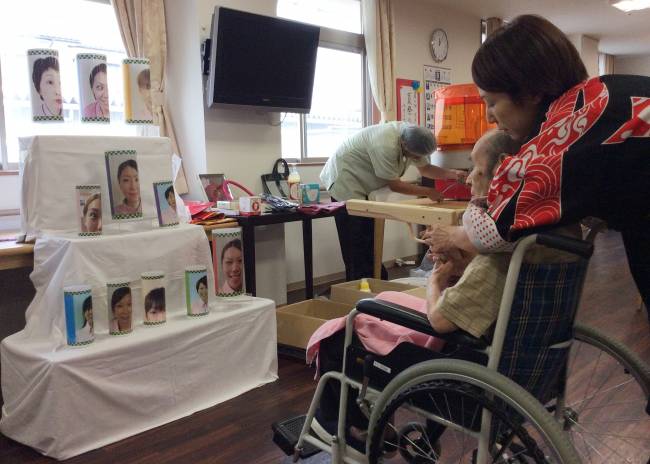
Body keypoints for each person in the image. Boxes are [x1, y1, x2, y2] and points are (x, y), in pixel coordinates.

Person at [308, 129, 581, 449]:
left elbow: (440, 320)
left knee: (348, 324)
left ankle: (338, 424)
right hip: (532, 367)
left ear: (502, 174)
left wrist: (437, 280)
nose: (469, 178)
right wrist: (460, 262)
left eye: (476, 169)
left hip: (463, 361)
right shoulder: (543, 234)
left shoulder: (497, 253)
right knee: (385, 294)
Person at [425, 14, 650, 317]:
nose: (489, 116)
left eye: (492, 102)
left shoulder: (565, 132)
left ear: (531, 91)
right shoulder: (598, 97)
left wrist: (451, 235)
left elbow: (490, 232)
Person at [320, 122, 466, 281]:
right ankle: (358, 285)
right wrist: (428, 192)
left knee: (369, 237)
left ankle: (375, 280)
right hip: (344, 179)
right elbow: (395, 185)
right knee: (355, 240)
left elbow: (426, 169)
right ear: (403, 145)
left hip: (362, 185)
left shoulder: (416, 138)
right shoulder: (384, 144)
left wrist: (452, 174)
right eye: (415, 156)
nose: (418, 159)